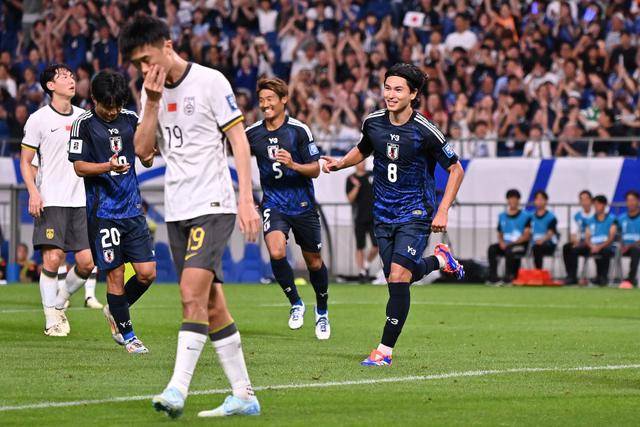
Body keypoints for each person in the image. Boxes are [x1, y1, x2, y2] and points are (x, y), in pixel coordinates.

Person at [120, 14, 261, 418]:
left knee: (189, 294)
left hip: (213, 204)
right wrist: (151, 102)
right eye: (137, 64)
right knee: (212, 305)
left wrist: (246, 199)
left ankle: (176, 389)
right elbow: (143, 152)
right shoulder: (150, 92)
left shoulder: (210, 81)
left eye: (147, 59)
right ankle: (244, 394)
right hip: (178, 208)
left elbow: (239, 141)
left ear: (167, 45)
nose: (144, 69)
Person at [322, 63, 465, 367]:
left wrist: (442, 210)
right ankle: (440, 260)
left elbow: (456, 169)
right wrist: (341, 163)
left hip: (415, 212)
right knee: (398, 278)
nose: (390, 94)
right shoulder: (373, 122)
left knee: (399, 276)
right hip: (382, 213)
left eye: (398, 89)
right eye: (387, 88)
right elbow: (363, 149)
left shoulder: (425, 130)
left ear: (413, 94)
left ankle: (384, 351)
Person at [68, 70, 157, 353]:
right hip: (103, 212)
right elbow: (79, 167)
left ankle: (115, 310)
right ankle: (129, 336)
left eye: (117, 105)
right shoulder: (83, 124)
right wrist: (108, 166)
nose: (112, 111)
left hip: (132, 209)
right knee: (115, 274)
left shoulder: (131, 119)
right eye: (107, 106)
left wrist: (148, 154)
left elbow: (147, 157)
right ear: (94, 99)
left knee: (147, 273)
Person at [246, 77, 330, 339]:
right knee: (276, 250)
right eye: (262, 100)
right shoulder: (252, 133)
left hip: (302, 205)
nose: (265, 104)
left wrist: (293, 164)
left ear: (283, 100)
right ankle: (296, 303)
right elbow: (233, 149)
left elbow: (315, 169)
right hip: (273, 203)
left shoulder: (299, 130)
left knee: (314, 262)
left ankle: (322, 311)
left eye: (270, 99)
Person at [19, 64, 95, 337]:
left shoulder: (85, 118)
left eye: (72, 76)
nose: (71, 80)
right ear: (51, 86)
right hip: (51, 198)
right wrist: (33, 191)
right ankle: (51, 318)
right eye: (64, 77)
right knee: (52, 258)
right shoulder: (38, 119)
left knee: (87, 262)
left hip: (81, 200)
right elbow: (26, 161)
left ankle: (60, 301)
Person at [487, 189, 531, 284]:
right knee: (492, 249)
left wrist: (512, 243)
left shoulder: (526, 216)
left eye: (515, 198)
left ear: (518, 200)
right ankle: (493, 277)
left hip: (520, 245)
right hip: (505, 244)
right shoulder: (502, 216)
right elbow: (500, 233)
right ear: (507, 200)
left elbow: (526, 236)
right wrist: (501, 242)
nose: (513, 201)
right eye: (510, 198)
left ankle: (509, 277)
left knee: (510, 250)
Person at [345, 161, 379, 281]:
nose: (362, 164)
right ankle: (361, 272)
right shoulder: (351, 179)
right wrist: (357, 186)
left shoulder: (372, 175)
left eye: (364, 161)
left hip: (374, 217)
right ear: (355, 164)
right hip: (359, 217)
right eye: (360, 162)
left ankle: (366, 264)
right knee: (360, 246)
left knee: (376, 245)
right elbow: (350, 199)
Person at [584, 195, 617, 286]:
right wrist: (591, 246)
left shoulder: (612, 219)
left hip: (606, 245)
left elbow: (611, 237)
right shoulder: (590, 220)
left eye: (598, 204)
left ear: (604, 205)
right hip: (592, 246)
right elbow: (587, 236)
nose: (596, 206)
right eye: (595, 204)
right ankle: (572, 277)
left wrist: (599, 247)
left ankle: (603, 277)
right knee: (571, 249)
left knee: (605, 251)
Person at [563, 190, 593, 285]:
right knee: (567, 247)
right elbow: (573, 232)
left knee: (575, 249)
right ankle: (571, 276)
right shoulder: (577, 216)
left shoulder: (596, 214)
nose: (584, 202)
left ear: (591, 200)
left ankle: (573, 276)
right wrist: (575, 241)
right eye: (582, 200)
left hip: (592, 243)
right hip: (581, 243)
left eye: (586, 199)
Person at [530, 191, 558, 269]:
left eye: (541, 199)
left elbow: (550, 233)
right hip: (533, 244)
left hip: (548, 243)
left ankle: (538, 271)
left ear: (546, 201)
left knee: (537, 248)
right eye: (537, 199)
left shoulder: (551, 217)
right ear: (534, 201)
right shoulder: (530, 216)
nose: (539, 201)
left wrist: (542, 240)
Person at [617, 190, 640, 289]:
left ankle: (631, 279)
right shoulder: (621, 218)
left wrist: (630, 245)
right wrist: (621, 245)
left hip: (636, 247)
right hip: (625, 248)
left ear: (638, 201)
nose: (630, 203)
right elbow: (618, 235)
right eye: (628, 200)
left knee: (635, 250)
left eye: (633, 200)